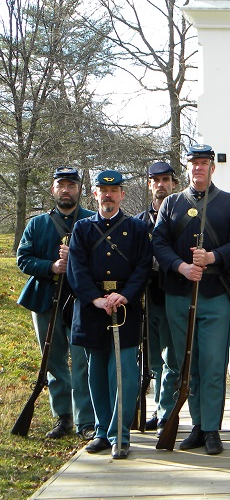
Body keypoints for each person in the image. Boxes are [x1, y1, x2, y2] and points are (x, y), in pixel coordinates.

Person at [152, 143, 230, 455]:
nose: (199, 168)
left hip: (215, 292)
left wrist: (213, 257)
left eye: (204, 163)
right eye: (194, 163)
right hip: (179, 293)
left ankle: (211, 429)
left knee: (212, 364)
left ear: (212, 167)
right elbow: (159, 243)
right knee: (186, 364)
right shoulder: (171, 204)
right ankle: (196, 425)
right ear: (188, 168)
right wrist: (179, 266)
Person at [67, 170, 152, 459]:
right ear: (95, 194)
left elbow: (143, 267)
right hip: (93, 310)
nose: (108, 195)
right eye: (103, 191)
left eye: (114, 190)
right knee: (96, 375)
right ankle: (102, 431)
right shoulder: (82, 229)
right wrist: (95, 299)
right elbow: (75, 269)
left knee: (124, 374)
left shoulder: (137, 229)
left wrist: (124, 294)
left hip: (124, 308)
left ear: (122, 195)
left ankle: (120, 434)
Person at [16, 166, 95, 441]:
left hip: (80, 302)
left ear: (79, 190)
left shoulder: (92, 221)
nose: (66, 189)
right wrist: (52, 266)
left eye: (71, 185)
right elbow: (23, 259)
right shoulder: (37, 224)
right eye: (61, 184)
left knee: (83, 360)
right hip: (46, 299)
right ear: (53, 189)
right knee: (54, 361)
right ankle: (64, 417)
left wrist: (75, 262)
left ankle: (86, 419)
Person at [135, 161, 180, 436]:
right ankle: (156, 409)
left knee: (171, 358)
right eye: (156, 180)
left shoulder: (180, 216)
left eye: (165, 179)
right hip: (145, 297)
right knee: (153, 360)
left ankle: (166, 413)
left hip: (172, 294)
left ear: (173, 183)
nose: (161, 185)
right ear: (149, 184)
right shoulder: (139, 221)